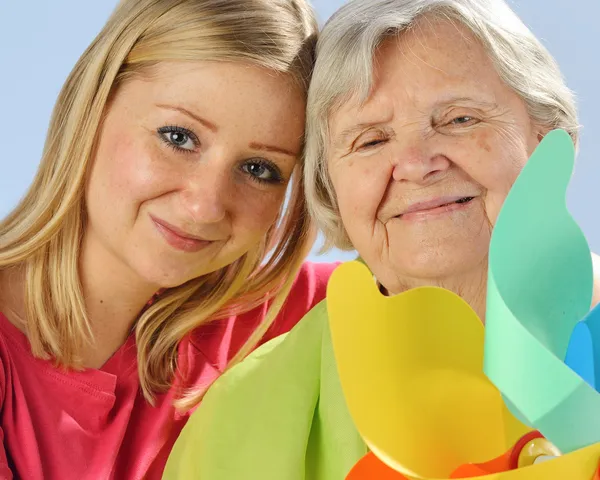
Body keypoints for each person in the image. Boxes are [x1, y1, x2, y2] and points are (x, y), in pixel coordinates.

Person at [162, 0, 600, 478]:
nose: (415, 163)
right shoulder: (240, 416)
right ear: (329, 189)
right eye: (370, 140)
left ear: (547, 137)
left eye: (459, 119)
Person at [0, 0, 330, 479]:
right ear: (94, 103)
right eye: (178, 137)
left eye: (259, 170)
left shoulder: (288, 321)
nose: (206, 206)